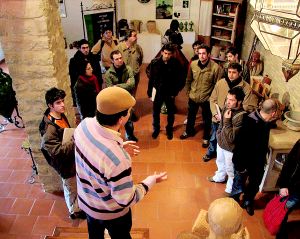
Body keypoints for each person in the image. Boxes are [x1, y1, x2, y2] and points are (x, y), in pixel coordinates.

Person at [74, 87, 167, 239]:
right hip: (111, 214)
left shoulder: (84, 125)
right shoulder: (118, 160)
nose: (130, 113)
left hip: (88, 204)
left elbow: (90, 152)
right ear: (120, 119)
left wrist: (118, 147)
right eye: (129, 111)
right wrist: (148, 182)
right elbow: (125, 199)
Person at [39, 87, 85, 220]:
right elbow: (56, 152)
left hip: (70, 159)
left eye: (63, 101)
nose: (63, 104)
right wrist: (74, 141)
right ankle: (74, 212)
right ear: (50, 105)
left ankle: (77, 206)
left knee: (74, 185)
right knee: (70, 187)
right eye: (58, 102)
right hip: (64, 164)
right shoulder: (49, 129)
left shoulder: (60, 115)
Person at [230, 99, 280, 216]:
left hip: (257, 162)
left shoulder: (263, 120)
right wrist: (240, 166)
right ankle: (233, 203)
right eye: (277, 112)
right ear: (273, 113)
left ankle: (248, 201)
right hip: (244, 162)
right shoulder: (249, 123)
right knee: (238, 183)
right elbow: (239, 146)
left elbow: (267, 124)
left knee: (254, 183)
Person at [203, 62, 257, 162]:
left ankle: (226, 159)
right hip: (218, 117)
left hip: (232, 121)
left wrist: (233, 113)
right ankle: (210, 152)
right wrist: (215, 113)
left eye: (234, 72)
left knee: (229, 140)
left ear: (240, 73)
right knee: (214, 136)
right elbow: (212, 99)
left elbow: (249, 107)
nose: (231, 75)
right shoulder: (220, 83)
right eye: (229, 72)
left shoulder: (246, 88)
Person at [180, 44, 223, 148]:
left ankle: (206, 138)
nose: (201, 56)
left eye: (204, 53)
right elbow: (189, 80)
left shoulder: (216, 68)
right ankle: (189, 131)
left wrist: (211, 99)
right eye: (199, 53)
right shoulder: (193, 64)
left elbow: (217, 86)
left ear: (208, 54)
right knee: (191, 116)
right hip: (193, 96)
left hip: (206, 98)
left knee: (207, 119)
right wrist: (188, 92)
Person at [207, 87, 247, 195]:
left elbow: (232, 137)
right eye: (227, 98)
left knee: (230, 170)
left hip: (230, 149)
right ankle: (219, 177)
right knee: (220, 162)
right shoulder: (226, 107)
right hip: (221, 143)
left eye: (231, 100)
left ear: (239, 101)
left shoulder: (242, 116)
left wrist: (228, 121)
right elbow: (221, 125)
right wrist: (219, 135)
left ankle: (229, 188)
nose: (227, 102)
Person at [146, 43, 184, 140]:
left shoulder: (176, 64)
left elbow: (180, 80)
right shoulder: (154, 63)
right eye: (165, 53)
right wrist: (150, 92)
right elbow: (151, 79)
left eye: (169, 54)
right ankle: (156, 129)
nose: (167, 56)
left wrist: (175, 92)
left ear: (172, 54)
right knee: (155, 112)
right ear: (162, 52)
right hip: (157, 92)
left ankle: (169, 129)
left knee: (171, 113)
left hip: (170, 93)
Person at [105, 50, 138, 142]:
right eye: (117, 59)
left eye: (120, 58)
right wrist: (125, 85)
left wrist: (117, 86)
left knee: (129, 121)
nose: (119, 60)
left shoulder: (128, 69)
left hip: (126, 100)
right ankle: (116, 139)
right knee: (116, 122)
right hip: (115, 102)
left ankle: (130, 135)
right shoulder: (108, 74)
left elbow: (132, 84)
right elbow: (111, 90)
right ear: (112, 61)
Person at [276, 139, 300, 239]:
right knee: (284, 210)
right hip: (294, 188)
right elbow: (289, 163)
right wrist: (283, 185)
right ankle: (280, 230)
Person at [69, 39, 102, 106]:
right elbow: (74, 78)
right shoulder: (74, 61)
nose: (86, 50)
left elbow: (98, 73)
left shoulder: (94, 58)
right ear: (79, 49)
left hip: (95, 87)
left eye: (87, 47)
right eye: (83, 48)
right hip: (83, 89)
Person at [117, 29, 143, 97]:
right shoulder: (119, 48)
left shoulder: (138, 48)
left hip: (135, 75)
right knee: (123, 94)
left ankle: (131, 107)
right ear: (128, 37)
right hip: (123, 76)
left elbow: (140, 60)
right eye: (134, 36)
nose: (136, 37)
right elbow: (114, 61)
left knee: (133, 94)